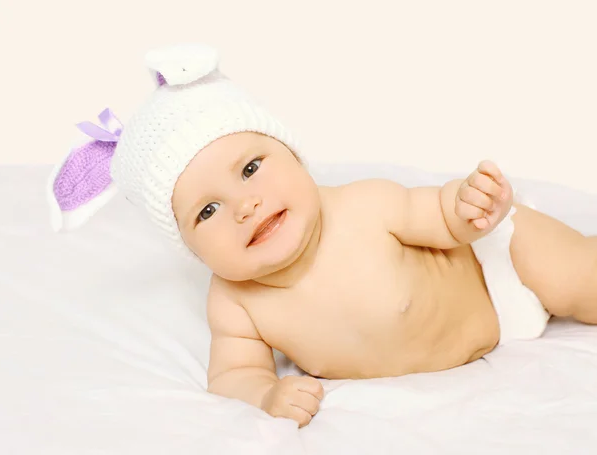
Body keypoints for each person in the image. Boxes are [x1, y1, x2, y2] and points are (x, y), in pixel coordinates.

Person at [48, 44, 597, 428]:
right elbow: (234, 374)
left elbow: (438, 214)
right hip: (486, 337)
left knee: (577, 273)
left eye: (250, 168)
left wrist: (471, 204)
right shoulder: (236, 304)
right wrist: (265, 394)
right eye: (208, 210)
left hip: (494, 267)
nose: (245, 206)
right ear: (189, 246)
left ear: (294, 155)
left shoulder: (361, 205)